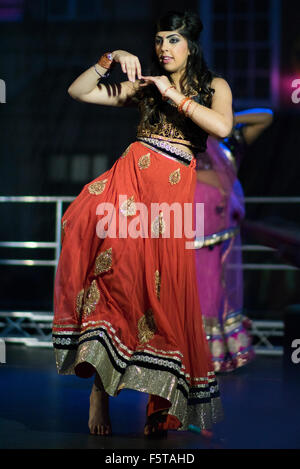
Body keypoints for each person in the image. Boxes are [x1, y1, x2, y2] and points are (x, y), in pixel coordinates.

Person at [52, 10, 233, 437]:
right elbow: (78, 92)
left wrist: (174, 95)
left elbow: (222, 126)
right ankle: (100, 388)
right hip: (128, 191)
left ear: (191, 44)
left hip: (169, 204)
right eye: (158, 41)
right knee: (115, 281)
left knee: (164, 299)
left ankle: (162, 402)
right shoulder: (146, 87)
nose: (163, 48)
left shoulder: (213, 86)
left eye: (173, 40)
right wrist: (110, 56)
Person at [193, 108, 273, 372]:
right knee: (195, 281)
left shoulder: (230, 140)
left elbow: (267, 115)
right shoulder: (191, 137)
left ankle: (215, 353)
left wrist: (226, 121)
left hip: (223, 218)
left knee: (218, 283)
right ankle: (191, 351)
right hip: (192, 220)